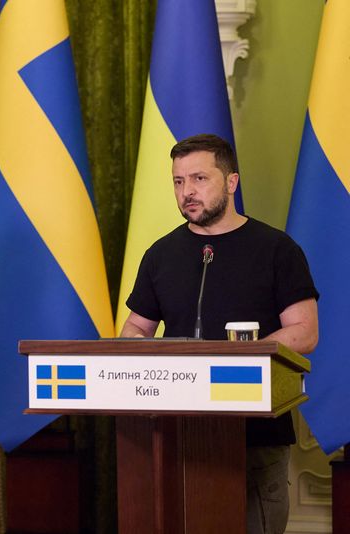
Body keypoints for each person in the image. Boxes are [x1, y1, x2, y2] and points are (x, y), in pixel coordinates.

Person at [120, 134, 318, 534]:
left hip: (255, 432)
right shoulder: (160, 254)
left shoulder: (277, 249)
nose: (187, 192)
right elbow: (135, 328)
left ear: (231, 182)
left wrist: (241, 357)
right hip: (175, 432)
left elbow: (305, 331)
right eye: (178, 181)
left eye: (199, 179)